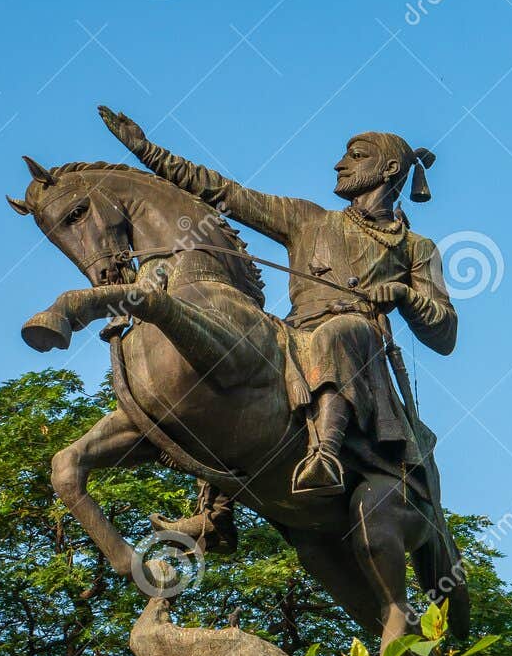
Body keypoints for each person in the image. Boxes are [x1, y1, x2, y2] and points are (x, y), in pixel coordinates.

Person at [98, 107, 457, 550]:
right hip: (295, 336)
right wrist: (145, 149)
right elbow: (223, 191)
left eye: (355, 155)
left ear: (388, 169)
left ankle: (326, 455)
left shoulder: (417, 248)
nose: (339, 164)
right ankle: (216, 513)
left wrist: (404, 296)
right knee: (233, 357)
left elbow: (446, 333)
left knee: (338, 331)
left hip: (359, 346)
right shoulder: (308, 220)